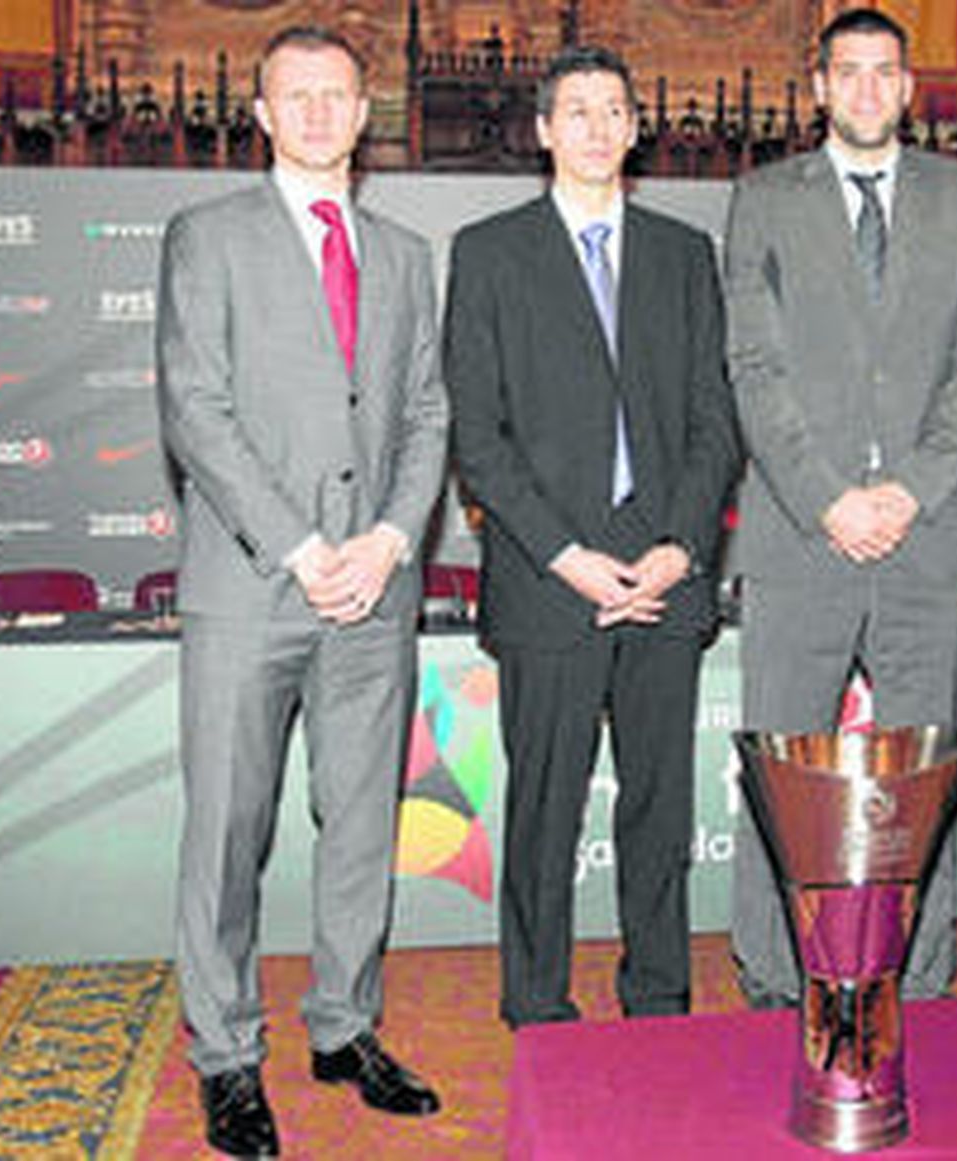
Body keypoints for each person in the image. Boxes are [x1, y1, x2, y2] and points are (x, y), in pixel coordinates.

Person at [156, 25, 446, 1159]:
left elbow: (427, 414)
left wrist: (383, 538)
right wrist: (298, 546)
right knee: (227, 830)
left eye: (338, 94)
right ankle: (226, 1057)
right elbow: (197, 409)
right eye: (297, 96)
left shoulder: (404, 256)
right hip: (250, 588)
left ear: (365, 111)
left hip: (373, 590)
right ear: (263, 114)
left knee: (361, 822)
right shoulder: (206, 237)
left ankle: (344, 1028)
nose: (321, 112)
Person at [442, 45, 738, 1028]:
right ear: (542, 130)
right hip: (547, 585)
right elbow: (476, 437)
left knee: (659, 812)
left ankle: (657, 998)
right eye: (577, 111)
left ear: (636, 126)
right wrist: (566, 558)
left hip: (663, 580)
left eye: (614, 109)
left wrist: (679, 547)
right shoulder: (488, 255)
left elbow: (713, 420)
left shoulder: (686, 255)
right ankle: (536, 1003)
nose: (598, 127)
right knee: (543, 812)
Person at [724, 6, 957, 1007]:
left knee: (922, 781)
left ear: (908, 85)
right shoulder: (762, 199)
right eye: (845, 72)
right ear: (817, 87)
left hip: (927, 538)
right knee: (778, 776)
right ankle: (769, 979)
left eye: (882, 72)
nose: (863, 90)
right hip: (801, 540)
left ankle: (918, 980)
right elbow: (752, 367)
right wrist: (829, 499)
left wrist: (909, 488)